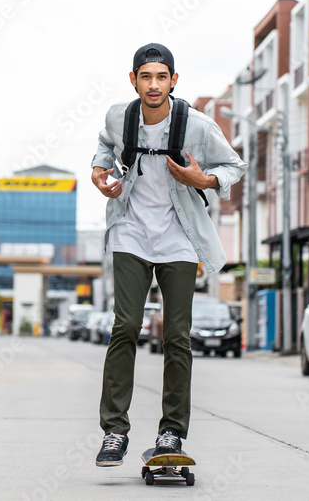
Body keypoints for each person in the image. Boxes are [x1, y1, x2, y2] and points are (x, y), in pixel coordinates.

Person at [90, 43, 246, 467]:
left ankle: (172, 432)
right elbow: (105, 149)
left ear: (173, 81)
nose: (154, 84)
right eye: (146, 76)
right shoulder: (117, 118)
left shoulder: (197, 125)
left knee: (177, 336)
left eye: (162, 77)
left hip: (179, 236)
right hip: (131, 231)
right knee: (125, 326)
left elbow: (234, 166)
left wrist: (205, 178)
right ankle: (114, 431)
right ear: (133, 80)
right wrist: (99, 172)